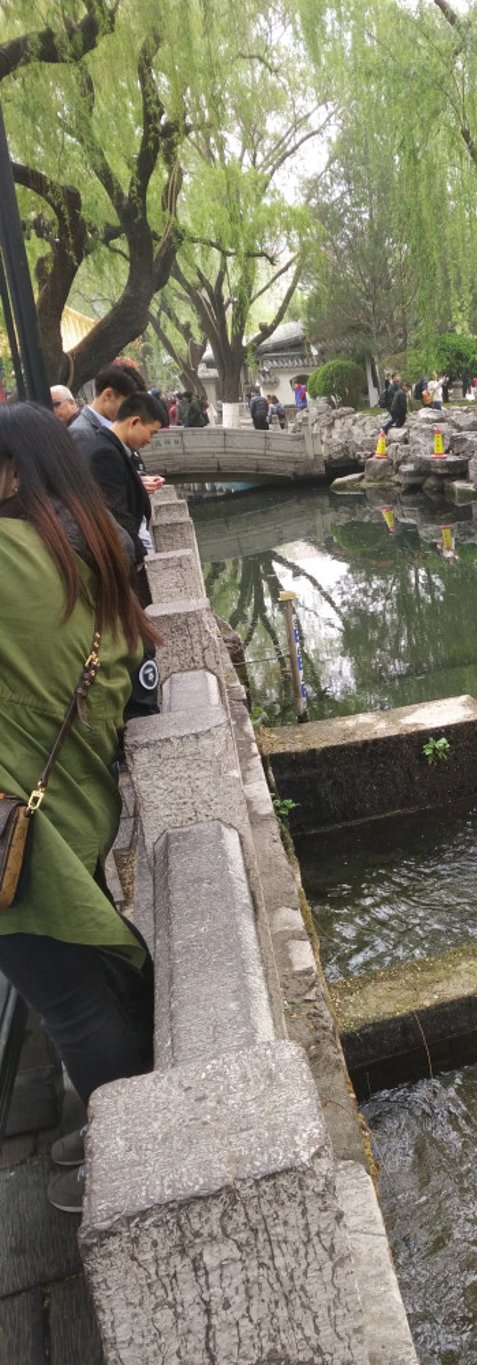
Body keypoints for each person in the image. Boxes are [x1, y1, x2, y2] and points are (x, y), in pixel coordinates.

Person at [0, 401, 159, 1213]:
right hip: (73, 805)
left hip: (19, 836)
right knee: (88, 980)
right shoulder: (88, 549)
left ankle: (129, 1165)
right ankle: (114, 1131)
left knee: (70, 1001)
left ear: (10, 472)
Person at [76, 390, 166, 566]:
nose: (150, 440)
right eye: (152, 433)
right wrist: (142, 559)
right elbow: (117, 516)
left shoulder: (113, 449)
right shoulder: (105, 454)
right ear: (134, 422)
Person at [68, 362, 144, 448]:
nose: (131, 413)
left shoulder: (117, 427)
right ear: (108, 395)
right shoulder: (81, 433)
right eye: (129, 406)